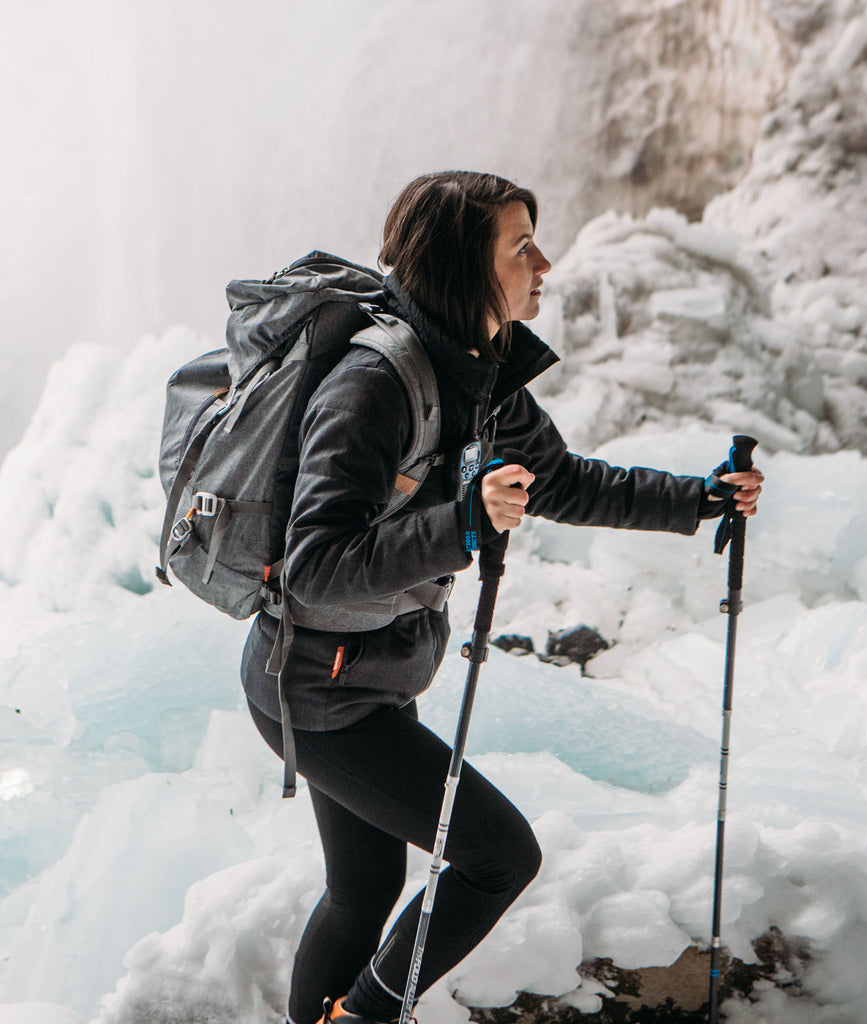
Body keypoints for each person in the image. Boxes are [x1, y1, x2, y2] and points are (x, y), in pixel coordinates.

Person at [240, 170, 764, 1024]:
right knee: (497, 857)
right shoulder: (372, 386)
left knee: (363, 889)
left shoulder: (478, 375)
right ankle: (364, 1019)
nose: (545, 262)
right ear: (462, 265)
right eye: (521, 247)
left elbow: (560, 480)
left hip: (365, 675)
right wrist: (463, 524)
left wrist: (696, 499)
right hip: (318, 687)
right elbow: (316, 566)